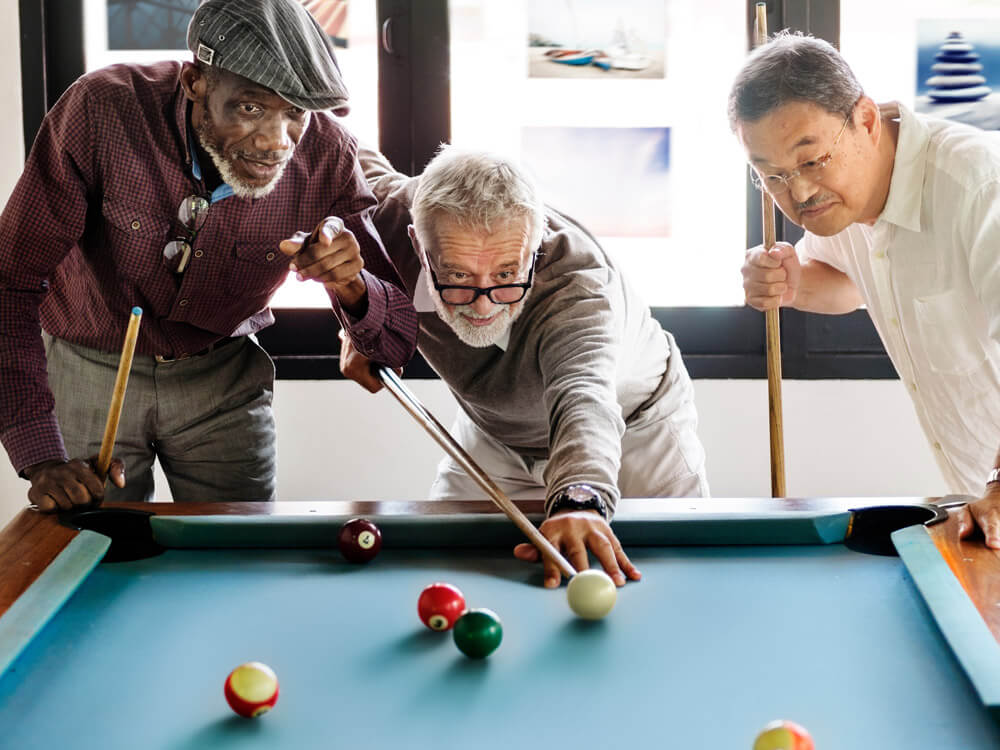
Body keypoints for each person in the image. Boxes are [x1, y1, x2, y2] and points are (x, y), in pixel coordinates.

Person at [0, 0, 417, 511]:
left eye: (295, 113)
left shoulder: (329, 152)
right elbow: (11, 282)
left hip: (223, 378)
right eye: (251, 108)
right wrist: (40, 455)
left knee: (240, 554)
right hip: (89, 370)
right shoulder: (99, 110)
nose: (275, 142)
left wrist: (352, 287)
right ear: (195, 82)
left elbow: (396, 344)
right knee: (93, 544)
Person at [340, 145, 708, 588]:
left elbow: (585, 396)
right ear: (419, 243)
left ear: (536, 248)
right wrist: (360, 316)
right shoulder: (387, 221)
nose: (482, 304)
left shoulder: (578, 287)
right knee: (445, 572)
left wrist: (579, 499)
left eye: (505, 276)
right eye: (457, 277)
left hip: (636, 430)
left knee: (677, 583)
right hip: (495, 430)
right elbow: (330, 150)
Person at [731, 31, 1000, 548]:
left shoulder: (980, 186)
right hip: (978, 506)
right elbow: (849, 285)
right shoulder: (845, 204)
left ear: (868, 121)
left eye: (811, 162)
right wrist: (793, 284)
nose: (799, 192)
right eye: (772, 175)